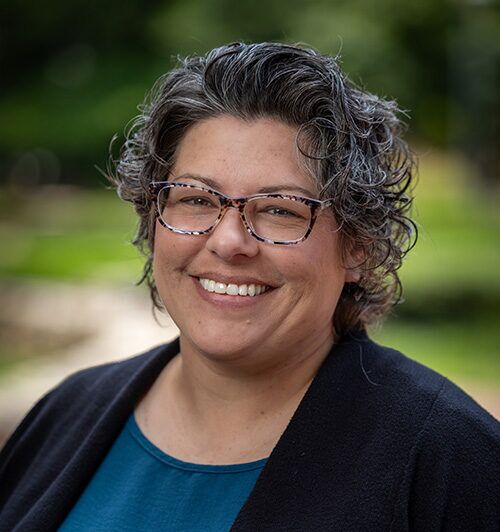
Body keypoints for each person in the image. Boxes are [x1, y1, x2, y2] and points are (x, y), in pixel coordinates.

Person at [0, 42, 498, 531]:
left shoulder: (452, 462)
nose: (228, 242)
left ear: (357, 246)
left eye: (280, 209)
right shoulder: (66, 413)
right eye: (196, 199)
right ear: (153, 218)